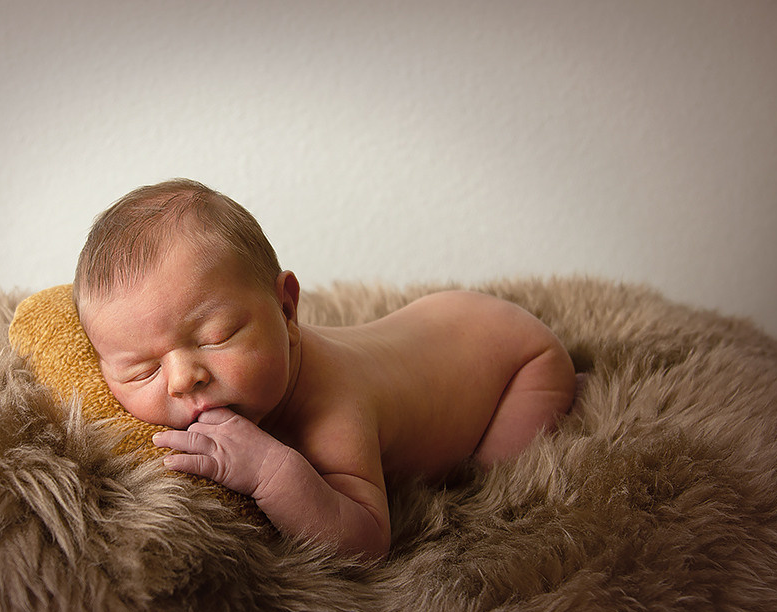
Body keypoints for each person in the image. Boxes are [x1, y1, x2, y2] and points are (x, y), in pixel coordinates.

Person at [74, 179, 576, 561]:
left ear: (287, 310)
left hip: (517, 359)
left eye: (215, 337)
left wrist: (271, 471)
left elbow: (367, 541)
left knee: (486, 487)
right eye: (142, 370)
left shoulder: (336, 406)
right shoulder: (255, 368)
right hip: (439, 323)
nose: (183, 379)